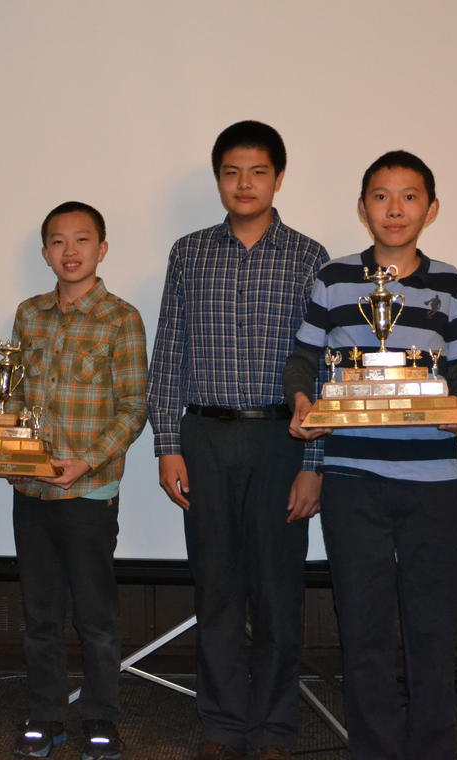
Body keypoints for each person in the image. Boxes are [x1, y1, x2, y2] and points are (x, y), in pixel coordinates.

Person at [284, 150, 457, 760]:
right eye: (380, 195)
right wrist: (301, 401)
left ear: (431, 208)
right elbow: (304, 357)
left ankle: (432, 749)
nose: (394, 209)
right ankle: (371, 749)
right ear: (362, 207)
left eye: (408, 196)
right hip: (354, 479)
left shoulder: (447, 283)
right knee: (364, 628)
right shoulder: (334, 278)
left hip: (433, 484)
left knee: (431, 627)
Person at [146, 121, 327, 760]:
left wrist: (315, 462)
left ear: (279, 177)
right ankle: (222, 726)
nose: (243, 184)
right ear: (218, 178)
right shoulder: (188, 252)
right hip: (205, 437)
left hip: (283, 437)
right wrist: (168, 443)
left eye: (257, 172)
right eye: (231, 172)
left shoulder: (310, 257)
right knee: (217, 588)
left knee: (279, 591)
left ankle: (275, 729)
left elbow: (327, 369)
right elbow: (168, 354)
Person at [8, 201, 146, 760]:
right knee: (39, 615)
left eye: (82, 240)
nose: (70, 251)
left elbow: (133, 408)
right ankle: (45, 714)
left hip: (90, 492)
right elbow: (14, 396)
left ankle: (101, 718)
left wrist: (87, 461)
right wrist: (16, 452)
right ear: (45, 253)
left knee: (96, 618)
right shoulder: (29, 314)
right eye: (58, 241)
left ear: (102, 249)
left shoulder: (121, 318)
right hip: (32, 491)